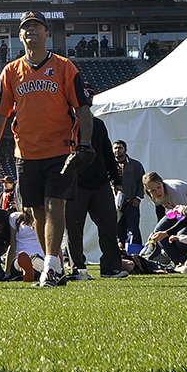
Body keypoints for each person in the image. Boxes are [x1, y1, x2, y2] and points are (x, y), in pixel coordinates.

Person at [0, 11, 92, 288]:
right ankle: (53, 263)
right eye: (25, 28)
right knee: (35, 212)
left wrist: (86, 142)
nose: (30, 30)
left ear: (47, 34)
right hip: (26, 152)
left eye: (36, 26)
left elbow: (83, 108)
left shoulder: (64, 66)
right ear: (19, 36)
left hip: (60, 148)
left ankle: (52, 266)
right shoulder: (10, 71)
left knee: (54, 204)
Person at [63, 106, 127, 279]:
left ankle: (110, 267)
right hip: (75, 183)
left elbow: (107, 153)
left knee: (109, 224)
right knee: (74, 228)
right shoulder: (66, 123)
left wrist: (117, 181)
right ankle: (78, 268)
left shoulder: (98, 124)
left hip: (100, 183)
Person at [142, 171, 187, 266]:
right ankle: (178, 261)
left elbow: (185, 219)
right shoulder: (153, 195)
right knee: (157, 230)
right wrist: (161, 232)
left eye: (159, 187)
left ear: (162, 183)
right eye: (153, 190)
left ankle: (186, 261)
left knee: (180, 237)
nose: (157, 192)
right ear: (148, 191)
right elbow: (160, 210)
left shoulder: (174, 191)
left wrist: (166, 233)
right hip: (178, 211)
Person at [111, 141, 145, 248]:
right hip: (115, 205)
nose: (117, 150)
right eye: (115, 148)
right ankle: (121, 256)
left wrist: (138, 198)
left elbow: (142, 181)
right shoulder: (109, 165)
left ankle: (137, 255)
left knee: (133, 229)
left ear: (126, 150)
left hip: (131, 202)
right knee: (118, 229)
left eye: (120, 148)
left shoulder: (135, 165)